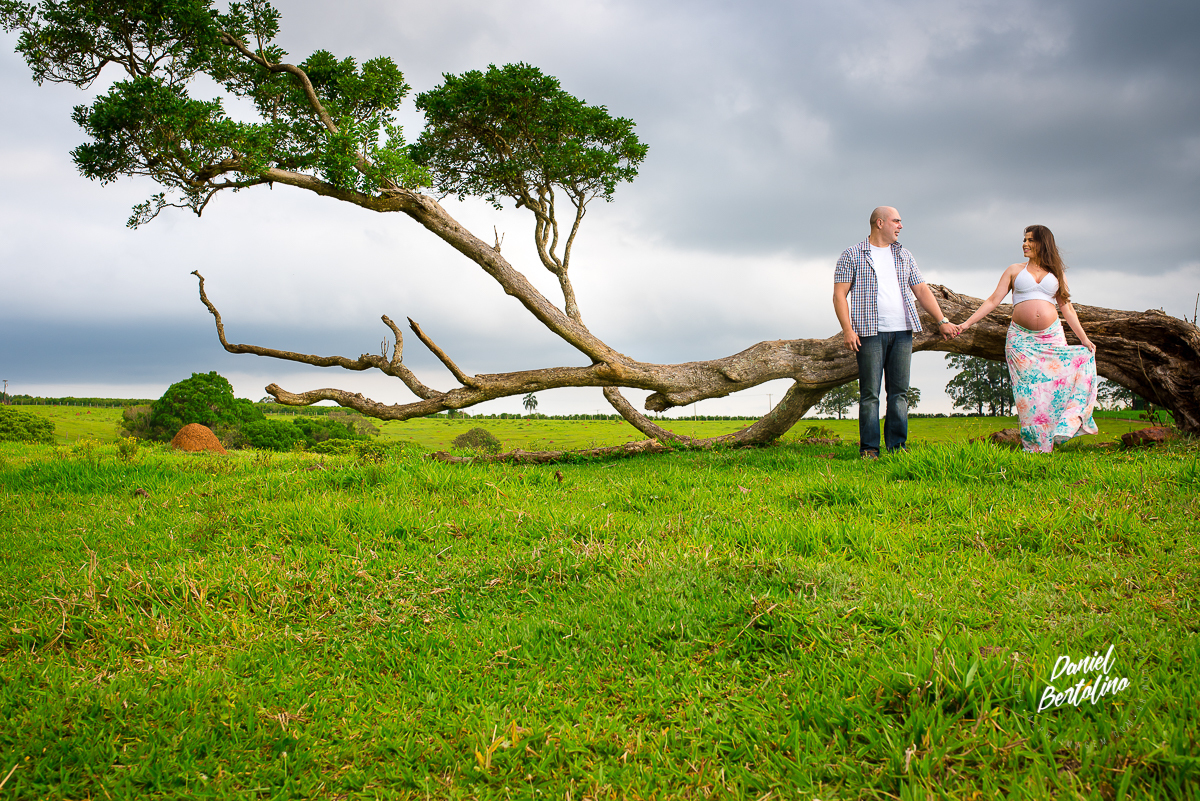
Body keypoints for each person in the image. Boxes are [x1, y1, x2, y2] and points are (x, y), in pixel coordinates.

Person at [953, 224, 1098, 453]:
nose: (1025, 244)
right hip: (1021, 342)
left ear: (1043, 243)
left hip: (1051, 339)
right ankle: (1034, 448)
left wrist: (1084, 340)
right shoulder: (1014, 270)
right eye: (1024, 239)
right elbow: (993, 300)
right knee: (1028, 396)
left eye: (1030, 240)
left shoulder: (1056, 273)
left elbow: (1067, 308)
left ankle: (1062, 430)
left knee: (1055, 389)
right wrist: (967, 324)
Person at [834, 207, 959, 458]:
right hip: (869, 332)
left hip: (903, 331)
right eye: (896, 221)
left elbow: (922, 291)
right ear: (880, 223)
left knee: (899, 393)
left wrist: (942, 320)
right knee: (870, 393)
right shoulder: (852, 254)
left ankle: (897, 448)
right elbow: (839, 295)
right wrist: (847, 329)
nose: (900, 226)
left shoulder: (904, 255)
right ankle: (869, 448)